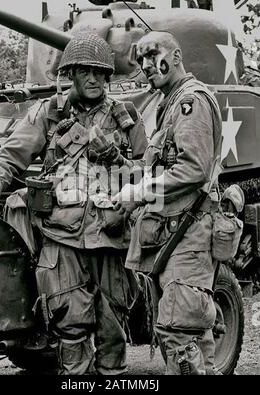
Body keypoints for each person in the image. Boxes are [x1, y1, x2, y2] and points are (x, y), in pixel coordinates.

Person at [0, 33, 148, 375]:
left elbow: (148, 171)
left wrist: (115, 160)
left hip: (111, 235)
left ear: (109, 76)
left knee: (113, 326)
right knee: (70, 322)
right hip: (61, 236)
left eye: (99, 72)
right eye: (84, 71)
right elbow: (10, 156)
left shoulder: (127, 118)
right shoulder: (49, 114)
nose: (93, 79)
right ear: (72, 74)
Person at [112, 31, 223, 375]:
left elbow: (194, 168)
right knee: (183, 334)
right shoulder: (169, 103)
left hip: (188, 237)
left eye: (153, 54)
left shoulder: (191, 101)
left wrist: (141, 192)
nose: (146, 65)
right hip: (173, 236)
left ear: (176, 57)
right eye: (142, 58)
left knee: (180, 333)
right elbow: (162, 166)